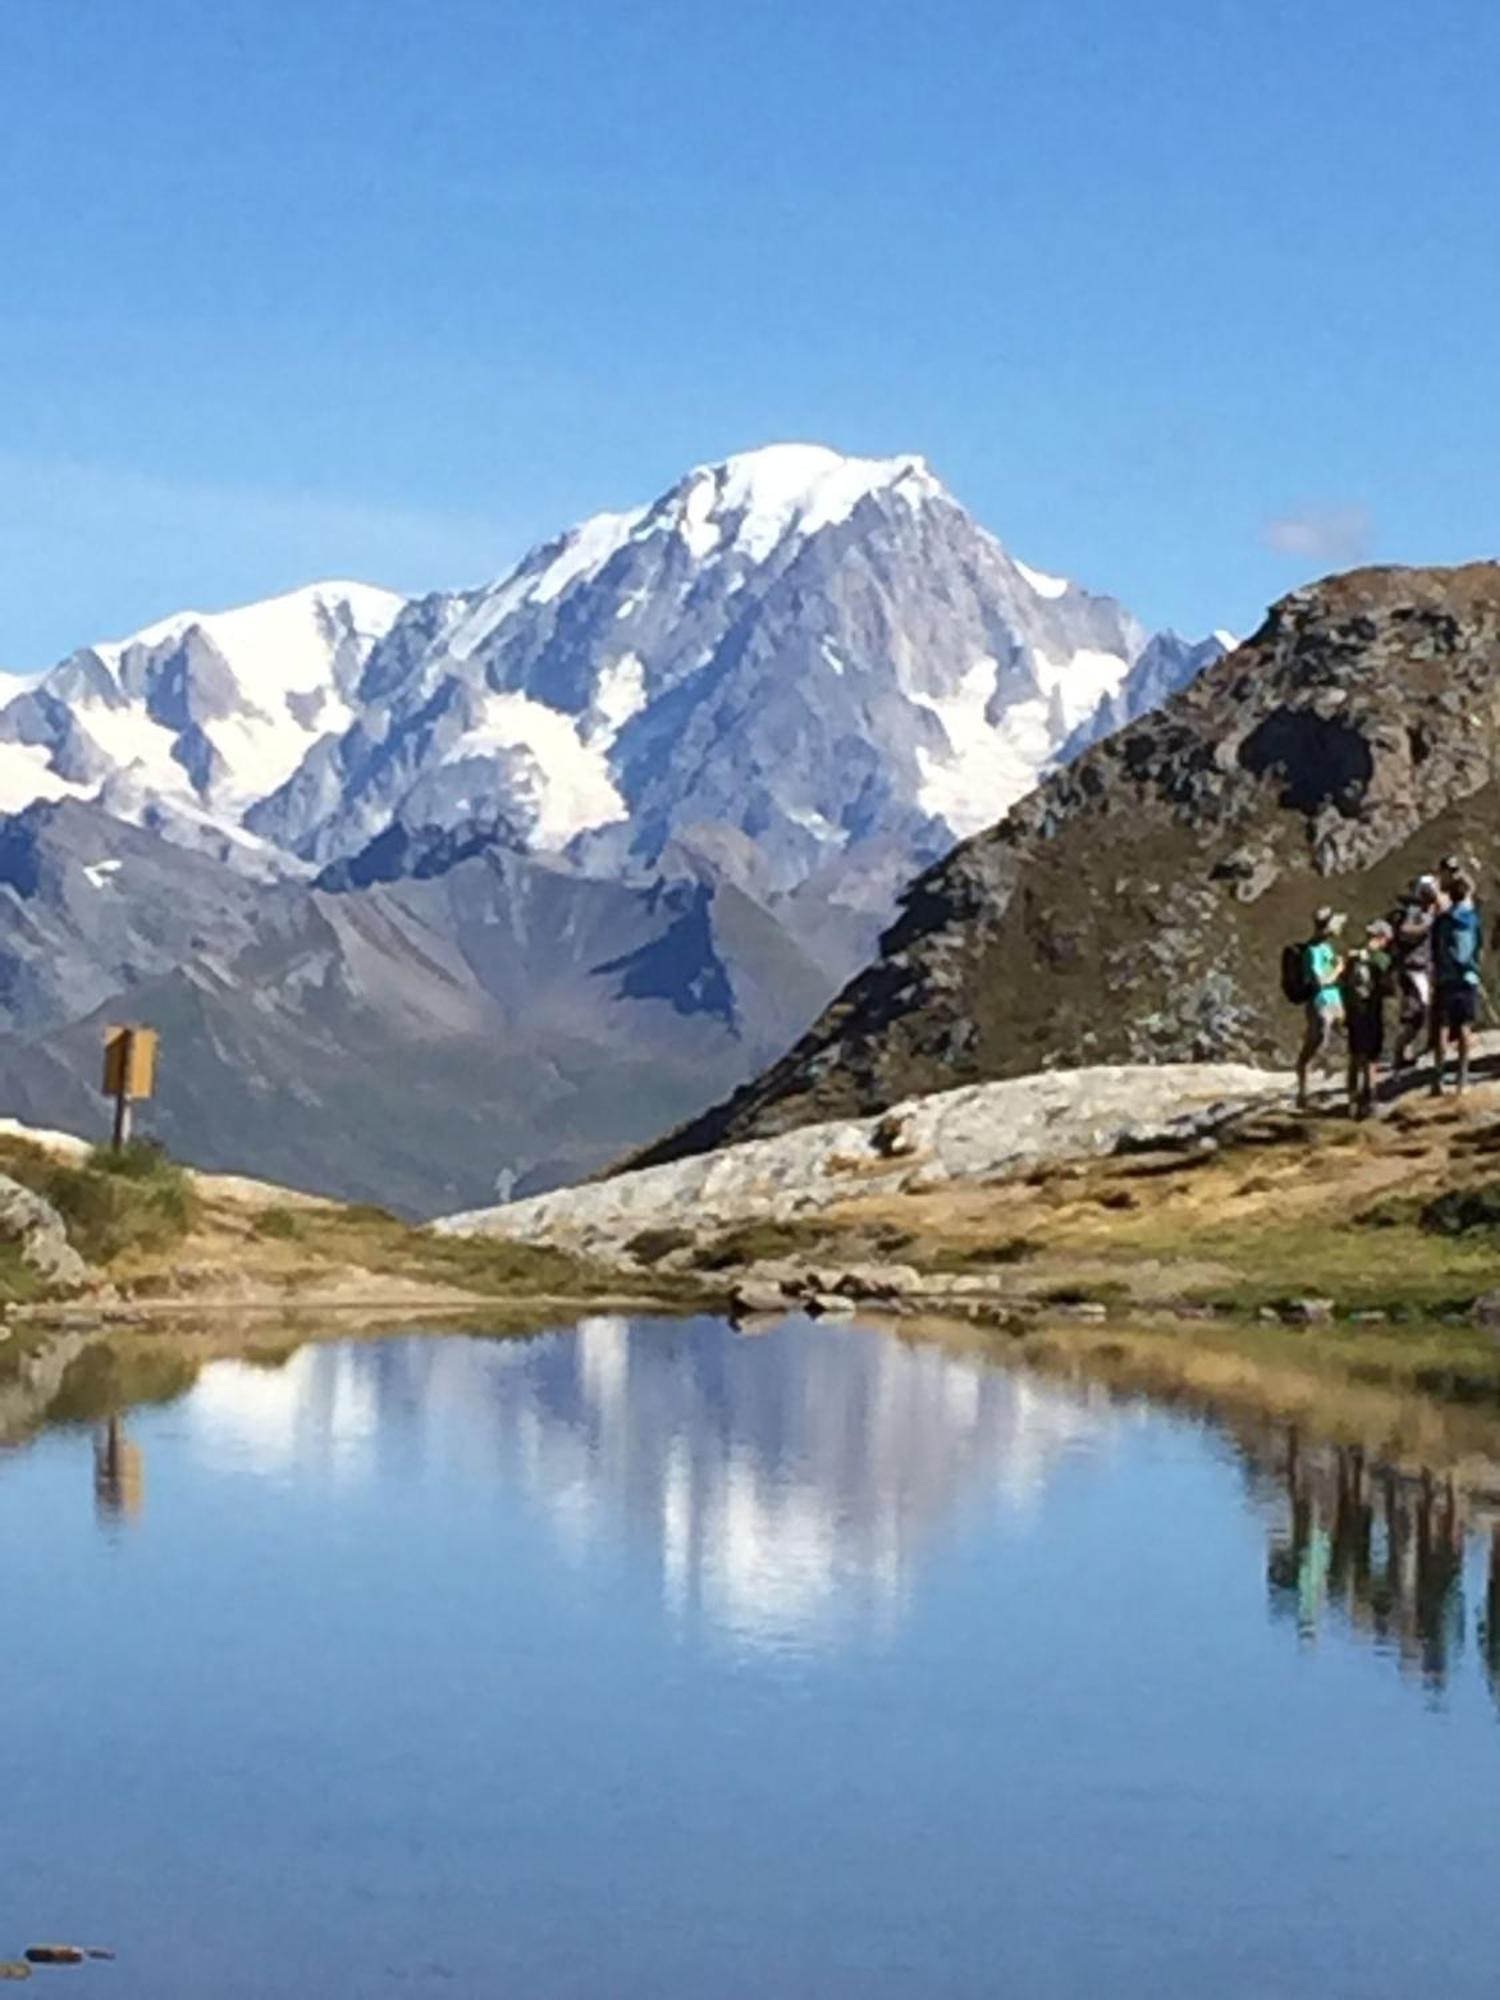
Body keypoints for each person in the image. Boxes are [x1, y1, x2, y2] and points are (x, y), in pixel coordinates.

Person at [1431, 871, 1483, 1096]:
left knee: (1442, 1028)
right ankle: (1462, 1079)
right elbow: (1478, 948)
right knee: (1464, 1027)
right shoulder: (1472, 920)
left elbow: (1434, 947)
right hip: (1467, 978)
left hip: (1445, 977)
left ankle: (1438, 1078)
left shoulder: (1442, 920)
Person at [1342, 920, 1393, 1118]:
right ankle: (1370, 1099)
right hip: (1371, 1011)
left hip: (1354, 1011)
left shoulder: (1354, 957)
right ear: (1382, 938)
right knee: (1371, 1058)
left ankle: (1352, 1100)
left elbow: (1344, 983)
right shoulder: (1381, 959)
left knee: (1355, 1056)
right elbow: (1388, 987)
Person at [1296, 907, 1346, 1110]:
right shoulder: (1312, 951)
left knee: (1347, 1037)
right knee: (1316, 1042)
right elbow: (1320, 980)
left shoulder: (1326, 948)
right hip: (1321, 1001)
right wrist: (1338, 969)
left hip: (1335, 999)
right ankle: (1304, 1090)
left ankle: (1339, 1083)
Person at [1390, 875, 1440, 1071]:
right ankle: (1400, 1051)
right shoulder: (1415, 911)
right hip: (1413, 968)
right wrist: (1425, 927)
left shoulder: (1430, 911)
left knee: (1423, 1010)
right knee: (1415, 1012)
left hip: (1425, 967)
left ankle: (1410, 1050)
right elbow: (1404, 931)